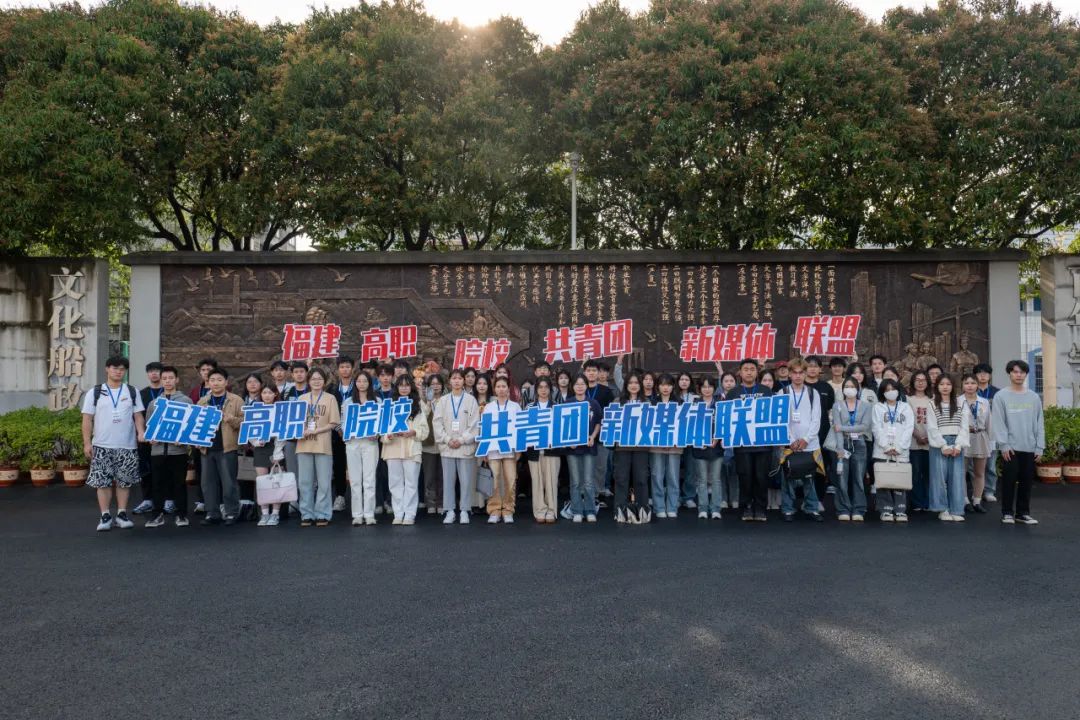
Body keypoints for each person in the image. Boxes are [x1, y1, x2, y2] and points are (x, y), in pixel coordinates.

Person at [82, 356, 146, 531]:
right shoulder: (95, 392)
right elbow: (87, 419)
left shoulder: (131, 391)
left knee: (124, 482)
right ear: (107, 369)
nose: (118, 372)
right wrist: (87, 443)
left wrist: (141, 432)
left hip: (127, 444)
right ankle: (105, 515)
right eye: (115, 368)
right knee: (102, 482)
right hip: (102, 445)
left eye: (122, 369)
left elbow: (138, 416)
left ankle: (122, 514)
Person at [992, 360, 1044, 525]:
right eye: (1015, 372)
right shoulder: (1001, 396)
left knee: (1026, 481)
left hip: (1029, 446)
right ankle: (1007, 512)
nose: (1018, 375)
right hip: (1010, 448)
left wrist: (1040, 446)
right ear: (1010, 374)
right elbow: (998, 422)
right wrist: (1004, 444)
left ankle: (1023, 513)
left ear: (1026, 374)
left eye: (1022, 372)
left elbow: (1039, 423)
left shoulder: (1034, 397)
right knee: (1008, 480)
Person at [143, 365, 191, 528]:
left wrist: (183, 439)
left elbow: (189, 425)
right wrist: (150, 438)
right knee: (157, 484)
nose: (168, 381)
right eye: (164, 378)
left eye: (171, 378)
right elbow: (149, 425)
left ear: (177, 380)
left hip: (178, 451)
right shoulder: (154, 403)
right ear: (161, 381)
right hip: (157, 451)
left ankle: (182, 515)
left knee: (179, 484)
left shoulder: (185, 401)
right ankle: (157, 515)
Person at [197, 367, 244, 526]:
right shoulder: (203, 401)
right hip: (207, 447)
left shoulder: (236, 400)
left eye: (219, 380)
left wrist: (231, 419)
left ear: (226, 382)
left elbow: (246, 422)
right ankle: (212, 513)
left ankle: (232, 512)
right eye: (212, 380)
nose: (216, 383)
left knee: (229, 482)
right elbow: (195, 424)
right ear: (208, 382)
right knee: (207, 483)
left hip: (227, 447)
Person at [434, 369, 480, 524]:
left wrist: (462, 439)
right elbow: (437, 422)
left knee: (466, 481)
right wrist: (447, 439)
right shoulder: (443, 400)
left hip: (464, 446)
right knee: (448, 480)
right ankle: (450, 510)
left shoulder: (471, 400)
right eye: (454, 378)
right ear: (449, 381)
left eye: (460, 378)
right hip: (448, 447)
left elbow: (475, 424)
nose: (457, 381)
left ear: (463, 381)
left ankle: (465, 509)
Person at [295, 367, 341, 527]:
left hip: (323, 445)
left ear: (324, 381)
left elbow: (334, 422)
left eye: (319, 379)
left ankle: (322, 513)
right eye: (313, 379)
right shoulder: (301, 398)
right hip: (303, 444)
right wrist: (299, 431)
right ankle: (306, 513)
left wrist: (316, 430)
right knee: (304, 482)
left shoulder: (330, 398)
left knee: (324, 482)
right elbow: (294, 421)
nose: (316, 381)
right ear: (308, 381)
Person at [780, 359, 824, 522]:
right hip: (789, 443)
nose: (798, 376)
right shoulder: (782, 392)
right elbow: (781, 419)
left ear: (805, 374)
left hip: (810, 443)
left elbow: (816, 419)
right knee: (788, 476)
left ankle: (812, 507)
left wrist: (806, 439)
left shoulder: (813, 393)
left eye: (801, 372)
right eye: (795, 372)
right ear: (789, 374)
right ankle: (788, 508)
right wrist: (791, 439)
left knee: (810, 477)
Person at [381, 374, 428, 525]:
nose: (404, 388)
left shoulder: (418, 405)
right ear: (396, 388)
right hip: (393, 448)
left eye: (407, 385)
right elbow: (382, 432)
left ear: (411, 387)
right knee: (395, 483)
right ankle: (398, 513)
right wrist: (389, 435)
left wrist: (414, 432)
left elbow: (425, 431)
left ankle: (409, 514)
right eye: (401, 385)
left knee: (411, 483)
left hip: (411, 449)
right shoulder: (389, 406)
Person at [731, 360, 773, 521]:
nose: (749, 372)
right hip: (742, 444)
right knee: (745, 477)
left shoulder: (766, 391)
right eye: (746, 369)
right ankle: (746, 507)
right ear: (740, 372)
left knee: (762, 477)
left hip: (763, 443)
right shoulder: (733, 393)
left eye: (752, 369)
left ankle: (761, 508)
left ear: (757, 372)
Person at [827, 376, 872, 521]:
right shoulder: (837, 405)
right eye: (847, 386)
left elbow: (864, 426)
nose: (849, 389)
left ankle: (859, 509)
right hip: (842, 443)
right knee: (841, 478)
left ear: (857, 389)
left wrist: (843, 428)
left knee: (858, 478)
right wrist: (840, 449)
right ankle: (843, 509)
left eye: (852, 386)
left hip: (859, 443)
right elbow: (836, 429)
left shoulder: (866, 406)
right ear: (843, 389)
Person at [927, 373, 970, 522]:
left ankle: (956, 509)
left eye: (948, 384)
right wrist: (943, 445)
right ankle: (942, 509)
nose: (945, 387)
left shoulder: (961, 403)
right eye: (942, 384)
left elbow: (964, 426)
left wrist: (958, 445)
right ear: (937, 386)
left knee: (957, 477)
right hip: (939, 444)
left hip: (957, 442)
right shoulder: (932, 404)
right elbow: (932, 427)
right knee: (939, 478)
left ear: (953, 386)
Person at [871, 378, 914, 522]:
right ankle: (886, 510)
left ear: (898, 390)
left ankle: (900, 510)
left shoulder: (905, 407)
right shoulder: (878, 407)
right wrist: (886, 447)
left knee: (899, 480)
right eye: (887, 390)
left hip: (901, 451)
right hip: (882, 451)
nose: (891, 392)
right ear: (882, 392)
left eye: (893, 389)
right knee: (884, 480)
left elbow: (909, 428)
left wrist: (899, 447)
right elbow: (876, 428)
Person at [482, 376, 522, 523]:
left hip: (510, 449)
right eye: (498, 386)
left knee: (510, 480)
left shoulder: (515, 406)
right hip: (493, 449)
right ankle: (494, 509)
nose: (501, 389)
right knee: (494, 480)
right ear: (494, 389)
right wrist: (484, 450)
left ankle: (508, 509)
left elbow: (520, 428)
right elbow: (485, 429)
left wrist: (519, 449)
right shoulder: (489, 407)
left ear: (508, 388)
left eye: (504, 386)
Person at [343, 370, 380, 525]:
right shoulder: (348, 402)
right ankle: (357, 514)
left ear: (370, 383)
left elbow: (381, 423)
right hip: (353, 444)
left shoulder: (377, 401)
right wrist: (347, 433)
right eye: (359, 381)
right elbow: (343, 423)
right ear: (355, 383)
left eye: (365, 381)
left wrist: (376, 434)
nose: (362, 384)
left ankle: (369, 514)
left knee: (369, 480)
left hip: (370, 443)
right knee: (355, 480)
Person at [565, 374, 602, 522]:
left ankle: (590, 510)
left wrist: (593, 436)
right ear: (572, 386)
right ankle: (577, 511)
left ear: (587, 386)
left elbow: (598, 422)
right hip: (572, 448)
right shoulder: (568, 403)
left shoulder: (593, 403)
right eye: (577, 384)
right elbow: (563, 425)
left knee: (588, 481)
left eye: (582, 384)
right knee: (575, 481)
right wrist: (568, 441)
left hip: (589, 447)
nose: (579, 387)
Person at [525, 377, 561, 523]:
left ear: (550, 390)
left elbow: (560, 429)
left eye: (546, 387)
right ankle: (540, 510)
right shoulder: (529, 407)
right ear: (536, 390)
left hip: (552, 450)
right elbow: (525, 429)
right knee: (537, 482)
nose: (543, 390)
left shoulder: (556, 407)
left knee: (551, 482)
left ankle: (551, 510)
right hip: (534, 451)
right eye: (540, 387)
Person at [250, 384, 285, 526]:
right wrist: (256, 442)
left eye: (270, 392)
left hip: (276, 448)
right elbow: (249, 430)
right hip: (260, 449)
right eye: (264, 392)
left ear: (275, 394)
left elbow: (283, 432)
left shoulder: (280, 410)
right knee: (262, 483)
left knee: (276, 482)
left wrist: (278, 451)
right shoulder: (256, 410)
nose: (267, 395)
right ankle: (264, 514)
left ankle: (275, 513)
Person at [649, 374, 683, 519]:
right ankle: (659, 507)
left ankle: (672, 506)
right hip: (656, 445)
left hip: (675, 445)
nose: (665, 388)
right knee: (657, 476)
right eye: (662, 384)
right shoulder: (651, 403)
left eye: (668, 385)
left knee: (673, 477)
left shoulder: (680, 402)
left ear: (673, 386)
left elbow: (683, 425)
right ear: (658, 386)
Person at [691, 376, 725, 520]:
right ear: (699, 388)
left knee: (716, 479)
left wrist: (716, 439)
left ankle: (716, 508)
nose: (707, 389)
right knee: (702, 479)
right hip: (700, 446)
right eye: (704, 386)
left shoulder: (719, 404)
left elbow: (723, 423)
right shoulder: (695, 404)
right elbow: (691, 426)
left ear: (714, 388)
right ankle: (703, 508)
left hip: (716, 446)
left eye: (709, 386)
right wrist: (701, 440)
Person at [133, 361, 165, 515]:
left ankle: (168, 500)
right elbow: (137, 415)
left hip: (166, 438)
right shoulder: (141, 394)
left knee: (165, 470)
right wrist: (141, 433)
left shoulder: (169, 391)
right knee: (146, 469)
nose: (154, 373)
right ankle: (147, 500)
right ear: (147, 374)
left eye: (157, 371)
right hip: (146, 438)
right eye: (151, 371)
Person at [805, 356, 835, 508]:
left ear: (820, 369)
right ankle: (804, 500)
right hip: (802, 435)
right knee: (802, 467)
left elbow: (829, 409)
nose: (812, 369)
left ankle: (818, 500)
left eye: (815, 366)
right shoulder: (799, 386)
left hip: (822, 433)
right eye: (809, 366)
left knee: (820, 468)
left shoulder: (826, 387)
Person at [583, 360, 615, 500]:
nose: (591, 373)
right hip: (583, 434)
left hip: (602, 434)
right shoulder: (579, 389)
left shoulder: (606, 391)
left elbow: (610, 412)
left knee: (600, 466)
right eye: (588, 370)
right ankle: (585, 495)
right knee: (584, 466)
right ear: (584, 372)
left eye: (594, 370)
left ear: (598, 373)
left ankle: (597, 495)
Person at [961, 373, 993, 514]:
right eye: (967, 383)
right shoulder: (957, 401)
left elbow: (989, 423)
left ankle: (977, 500)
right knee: (961, 472)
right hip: (964, 438)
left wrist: (991, 441)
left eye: (973, 383)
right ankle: (964, 500)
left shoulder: (984, 402)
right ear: (962, 385)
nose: (970, 386)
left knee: (979, 472)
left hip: (981, 437)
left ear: (977, 385)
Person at [329, 355, 356, 513]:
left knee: (356, 465)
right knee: (339, 465)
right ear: (338, 369)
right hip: (337, 433)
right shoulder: (332, 389)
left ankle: (358, 498)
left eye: (347, 366)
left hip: (355, 433)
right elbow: (330, 412)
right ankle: (340, 496)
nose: (345, 370)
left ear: (352, 368)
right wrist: (339, 429)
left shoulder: (358, 387)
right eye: (342, 367)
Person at [906, 371, 933, 512]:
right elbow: (907, 421)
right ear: (913, 382)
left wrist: (929, 436)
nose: (920, 382)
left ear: (928, 382)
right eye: (917, 380)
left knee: (929, 474)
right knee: (915, 473)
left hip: (931, 442)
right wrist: (917, 435)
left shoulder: (933, 399)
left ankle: (928, 501)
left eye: (923, 380)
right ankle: (917, 502)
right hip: (914, 443)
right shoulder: (908, 399)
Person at [974, 363, 1000, 503]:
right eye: (979, 373)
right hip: (975, 434)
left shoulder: (997, 393)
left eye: (986, 373)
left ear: (990, 375)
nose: (983, 375)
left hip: (992, 433)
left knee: (990, 465)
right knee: (973, 466)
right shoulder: (971, 391)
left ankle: (989, 491)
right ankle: (976, 491)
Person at [420, 373, 444, 515]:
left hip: (443, 443)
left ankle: (441, 502)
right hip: (428, 443)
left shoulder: (446, 400)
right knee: (429, 476)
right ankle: (430, 502)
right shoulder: (423, 401)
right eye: (432, 384)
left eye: (438, 383)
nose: (435, 386)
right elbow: (423, 416)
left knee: (442, 476)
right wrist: (428, 402)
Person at [675, 371, 699, 509]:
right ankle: (676, 496)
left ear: (690, 382)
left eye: (687, 379)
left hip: (691, 438)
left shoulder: (696, 398)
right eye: (681, 379)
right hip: (676, 438)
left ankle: (689, 496)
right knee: (674, 470)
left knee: (691, 469)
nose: (684, 382)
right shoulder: (672, 396)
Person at [718, 371, 739, 509]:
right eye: (726, 381)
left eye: (732, 381)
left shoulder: (740, 398)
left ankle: (735, 498)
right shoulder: (717, 398)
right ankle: (723, 498)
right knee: (721, 472)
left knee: (735, 472)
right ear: (721, 383)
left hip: (736, 438)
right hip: (720, 439)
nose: (729, 384)